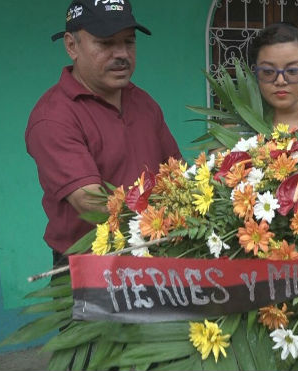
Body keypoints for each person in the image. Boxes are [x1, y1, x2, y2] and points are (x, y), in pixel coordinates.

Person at [26, 0, 182, 260]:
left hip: (156, 252)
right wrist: (166, 217)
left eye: (129, 42)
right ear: (71, 46)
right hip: (92, 267)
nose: (121, 54)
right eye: (106, 43)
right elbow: (93, 204)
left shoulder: (142, 101)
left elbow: (175, 171)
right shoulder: (53, 118)